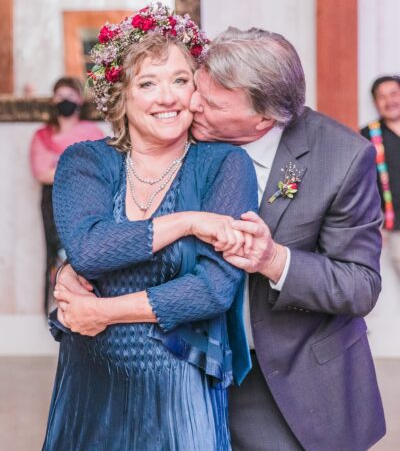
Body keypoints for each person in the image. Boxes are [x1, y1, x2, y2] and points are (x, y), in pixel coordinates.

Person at [58, 26, 386, 451]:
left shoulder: (341, 158)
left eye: (209, 102)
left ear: (262, 118)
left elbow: (360, 286)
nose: (189, 103)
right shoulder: (183, 130)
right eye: (195, 86)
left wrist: (273, 259)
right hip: (183, 369)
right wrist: (73, 266)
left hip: (287, 378)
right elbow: (128, 218)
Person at [42, 3, 258, 450]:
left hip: (181, 387)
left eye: (181, 80)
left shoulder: (224, 165)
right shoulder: (86, 161)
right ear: (121, 96)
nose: (168, 97)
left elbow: (213, 289)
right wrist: (187, 221)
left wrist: (102, 311)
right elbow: (88, 251)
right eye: (148, 83)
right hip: (91, 382)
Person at [30, 77, 103, 313]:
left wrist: (59, 168)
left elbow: (100, 167)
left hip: (87, 200)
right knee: (57, 253)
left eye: (70, 96)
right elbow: (41, 173)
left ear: (80, 100)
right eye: (60, 96)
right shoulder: (42, 135)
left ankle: (90, 305)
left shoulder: (93, 132)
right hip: (52, 202)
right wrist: (75, 169)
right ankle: (58, 307)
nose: (65, 101)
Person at [361, 75, 400, 278]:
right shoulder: (368, 135)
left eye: (394, 94)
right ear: (376, 103)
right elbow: (363, 184)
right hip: (395, 228)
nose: (390, 101)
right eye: (382, 97)